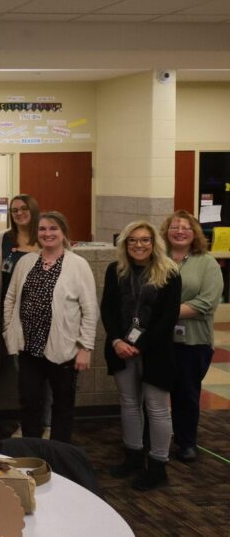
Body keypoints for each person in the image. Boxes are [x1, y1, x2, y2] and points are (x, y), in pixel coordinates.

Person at [3, 211, 98, 444]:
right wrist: (9, 331)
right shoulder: (26, 262)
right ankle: (33, 454)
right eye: (43, 229)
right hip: (29, 348)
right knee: (29, 404)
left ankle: (58, 455)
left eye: (53, 228)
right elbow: (11, 299)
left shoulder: (78, 265)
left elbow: (90, 309)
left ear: (64, 232)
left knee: (63, 406)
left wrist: (85, 347)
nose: (48, 233)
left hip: (65, 349)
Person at [102, 221, 181, 491]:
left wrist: (140, 345)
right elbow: (108, 310)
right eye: (133, 240)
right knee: (128, 403)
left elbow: (168, 317)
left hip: (155, 351)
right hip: (120, 348)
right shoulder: (115, 271)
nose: (139, 245)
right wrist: (116, 341)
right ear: (125, 244)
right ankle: (133, 456)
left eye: (145, 240)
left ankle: (158, 465)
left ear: (154, 243)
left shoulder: (169, 272)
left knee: (157, 409)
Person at [161, 210, 224, 463]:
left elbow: (207, 303)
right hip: (159, 342)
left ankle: (187, 442)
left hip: (193, 342)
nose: (179, 231)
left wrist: (164, 315)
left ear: (194, 233)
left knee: (186, 393)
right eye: (174, 226)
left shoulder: (207, 262)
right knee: (156, 393)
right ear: (166, 232)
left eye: (186, 227)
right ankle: (156, 439)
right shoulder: (159, 259)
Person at [0, 194, 50, 438]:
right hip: (15, 322)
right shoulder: (3, 241)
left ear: (33, 209)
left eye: (24, 208)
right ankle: (28, 425)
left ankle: (48, 425)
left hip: (46, 321)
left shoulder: (46, 237)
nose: (20, 213)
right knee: (25, 378)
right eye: (15, 210)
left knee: (48, 377)